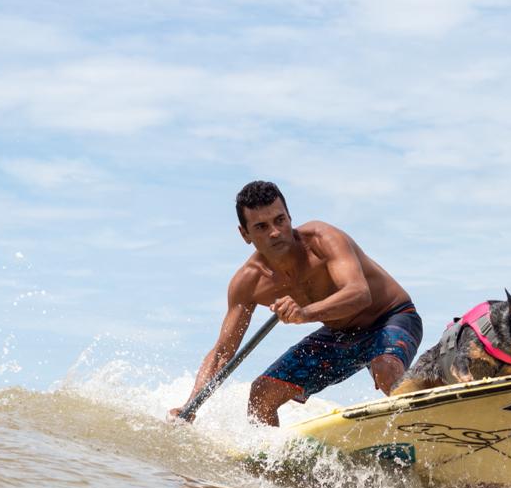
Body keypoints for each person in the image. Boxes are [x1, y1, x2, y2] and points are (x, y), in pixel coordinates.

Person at [170, 180, 422, 426]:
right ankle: (277, 466)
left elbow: (358, 294)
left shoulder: (323, 239)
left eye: (280, 220)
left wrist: (304, 313)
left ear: (290, 217)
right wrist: (191, 405)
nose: (275, 232)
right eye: (261, 226)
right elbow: (223, 352)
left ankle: (424, 431)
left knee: (385, 368)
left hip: (391, 317)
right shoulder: (249, 283)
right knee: (261, 394)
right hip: (339, 335)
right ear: (244, 234)